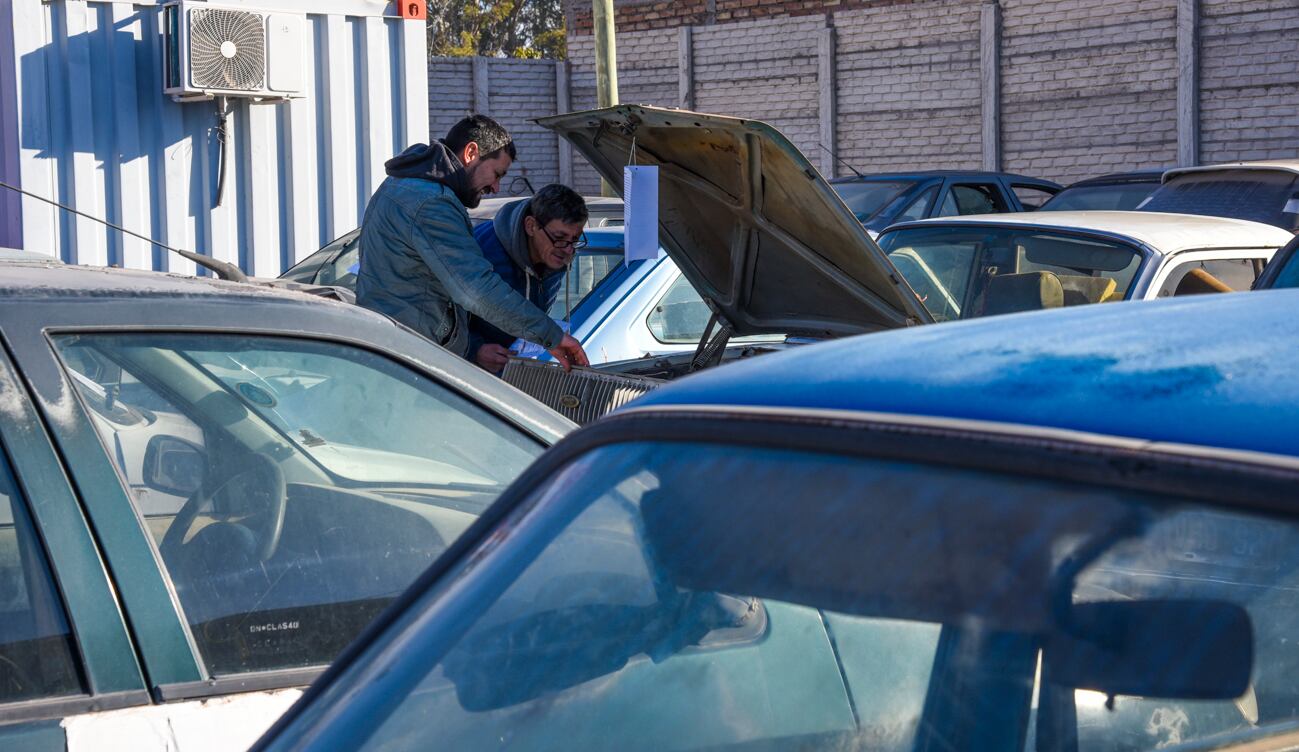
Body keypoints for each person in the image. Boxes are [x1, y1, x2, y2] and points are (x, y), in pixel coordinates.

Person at [355, 114, 589, 371]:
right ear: (471, 152)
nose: (496, 188)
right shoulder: (432, 204)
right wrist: (551, 336)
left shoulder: (399, 186)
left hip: (391, 347)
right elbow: (475, 289)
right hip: (412, 358)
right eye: (497, 174)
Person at [468, 184, 588, 373]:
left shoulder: (554, 255)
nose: (568, 249)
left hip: (507, 372)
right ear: (531, 226)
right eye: (560, 237)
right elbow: (438, 314)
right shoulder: (480, 251)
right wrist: (474, 350)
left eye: (575, 239)